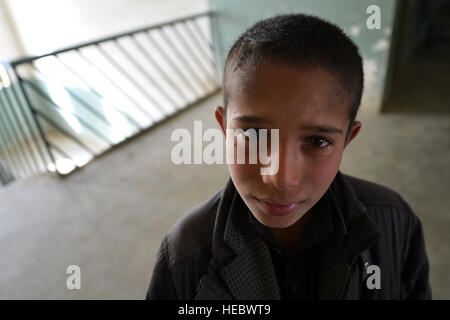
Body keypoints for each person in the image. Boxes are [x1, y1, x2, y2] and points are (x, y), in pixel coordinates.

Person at [146, 14, 431, 300]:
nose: (280, 177)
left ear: (347, 139)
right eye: (254, 134)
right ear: (223, 127)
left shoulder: (395, 222)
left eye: (317, 141)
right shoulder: (184, 254)